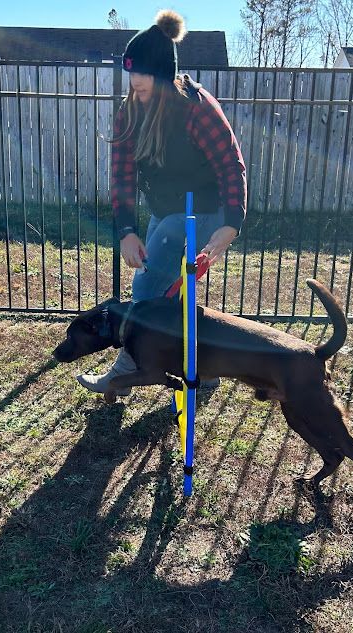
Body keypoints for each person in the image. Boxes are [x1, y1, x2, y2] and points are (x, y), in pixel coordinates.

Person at [77, 9, 247, 396]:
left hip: (204, 209)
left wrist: (231, 222)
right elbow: (121, 175)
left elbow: (230, 164)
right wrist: (126, 230)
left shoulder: (197, 107)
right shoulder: (130, 110)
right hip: (163, 209)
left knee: (149, 286)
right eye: (131, 78)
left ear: (164, 76)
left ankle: (121, 376)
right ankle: (203, 372)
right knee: (172, 294)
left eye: (143, 79)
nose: (135, 86)